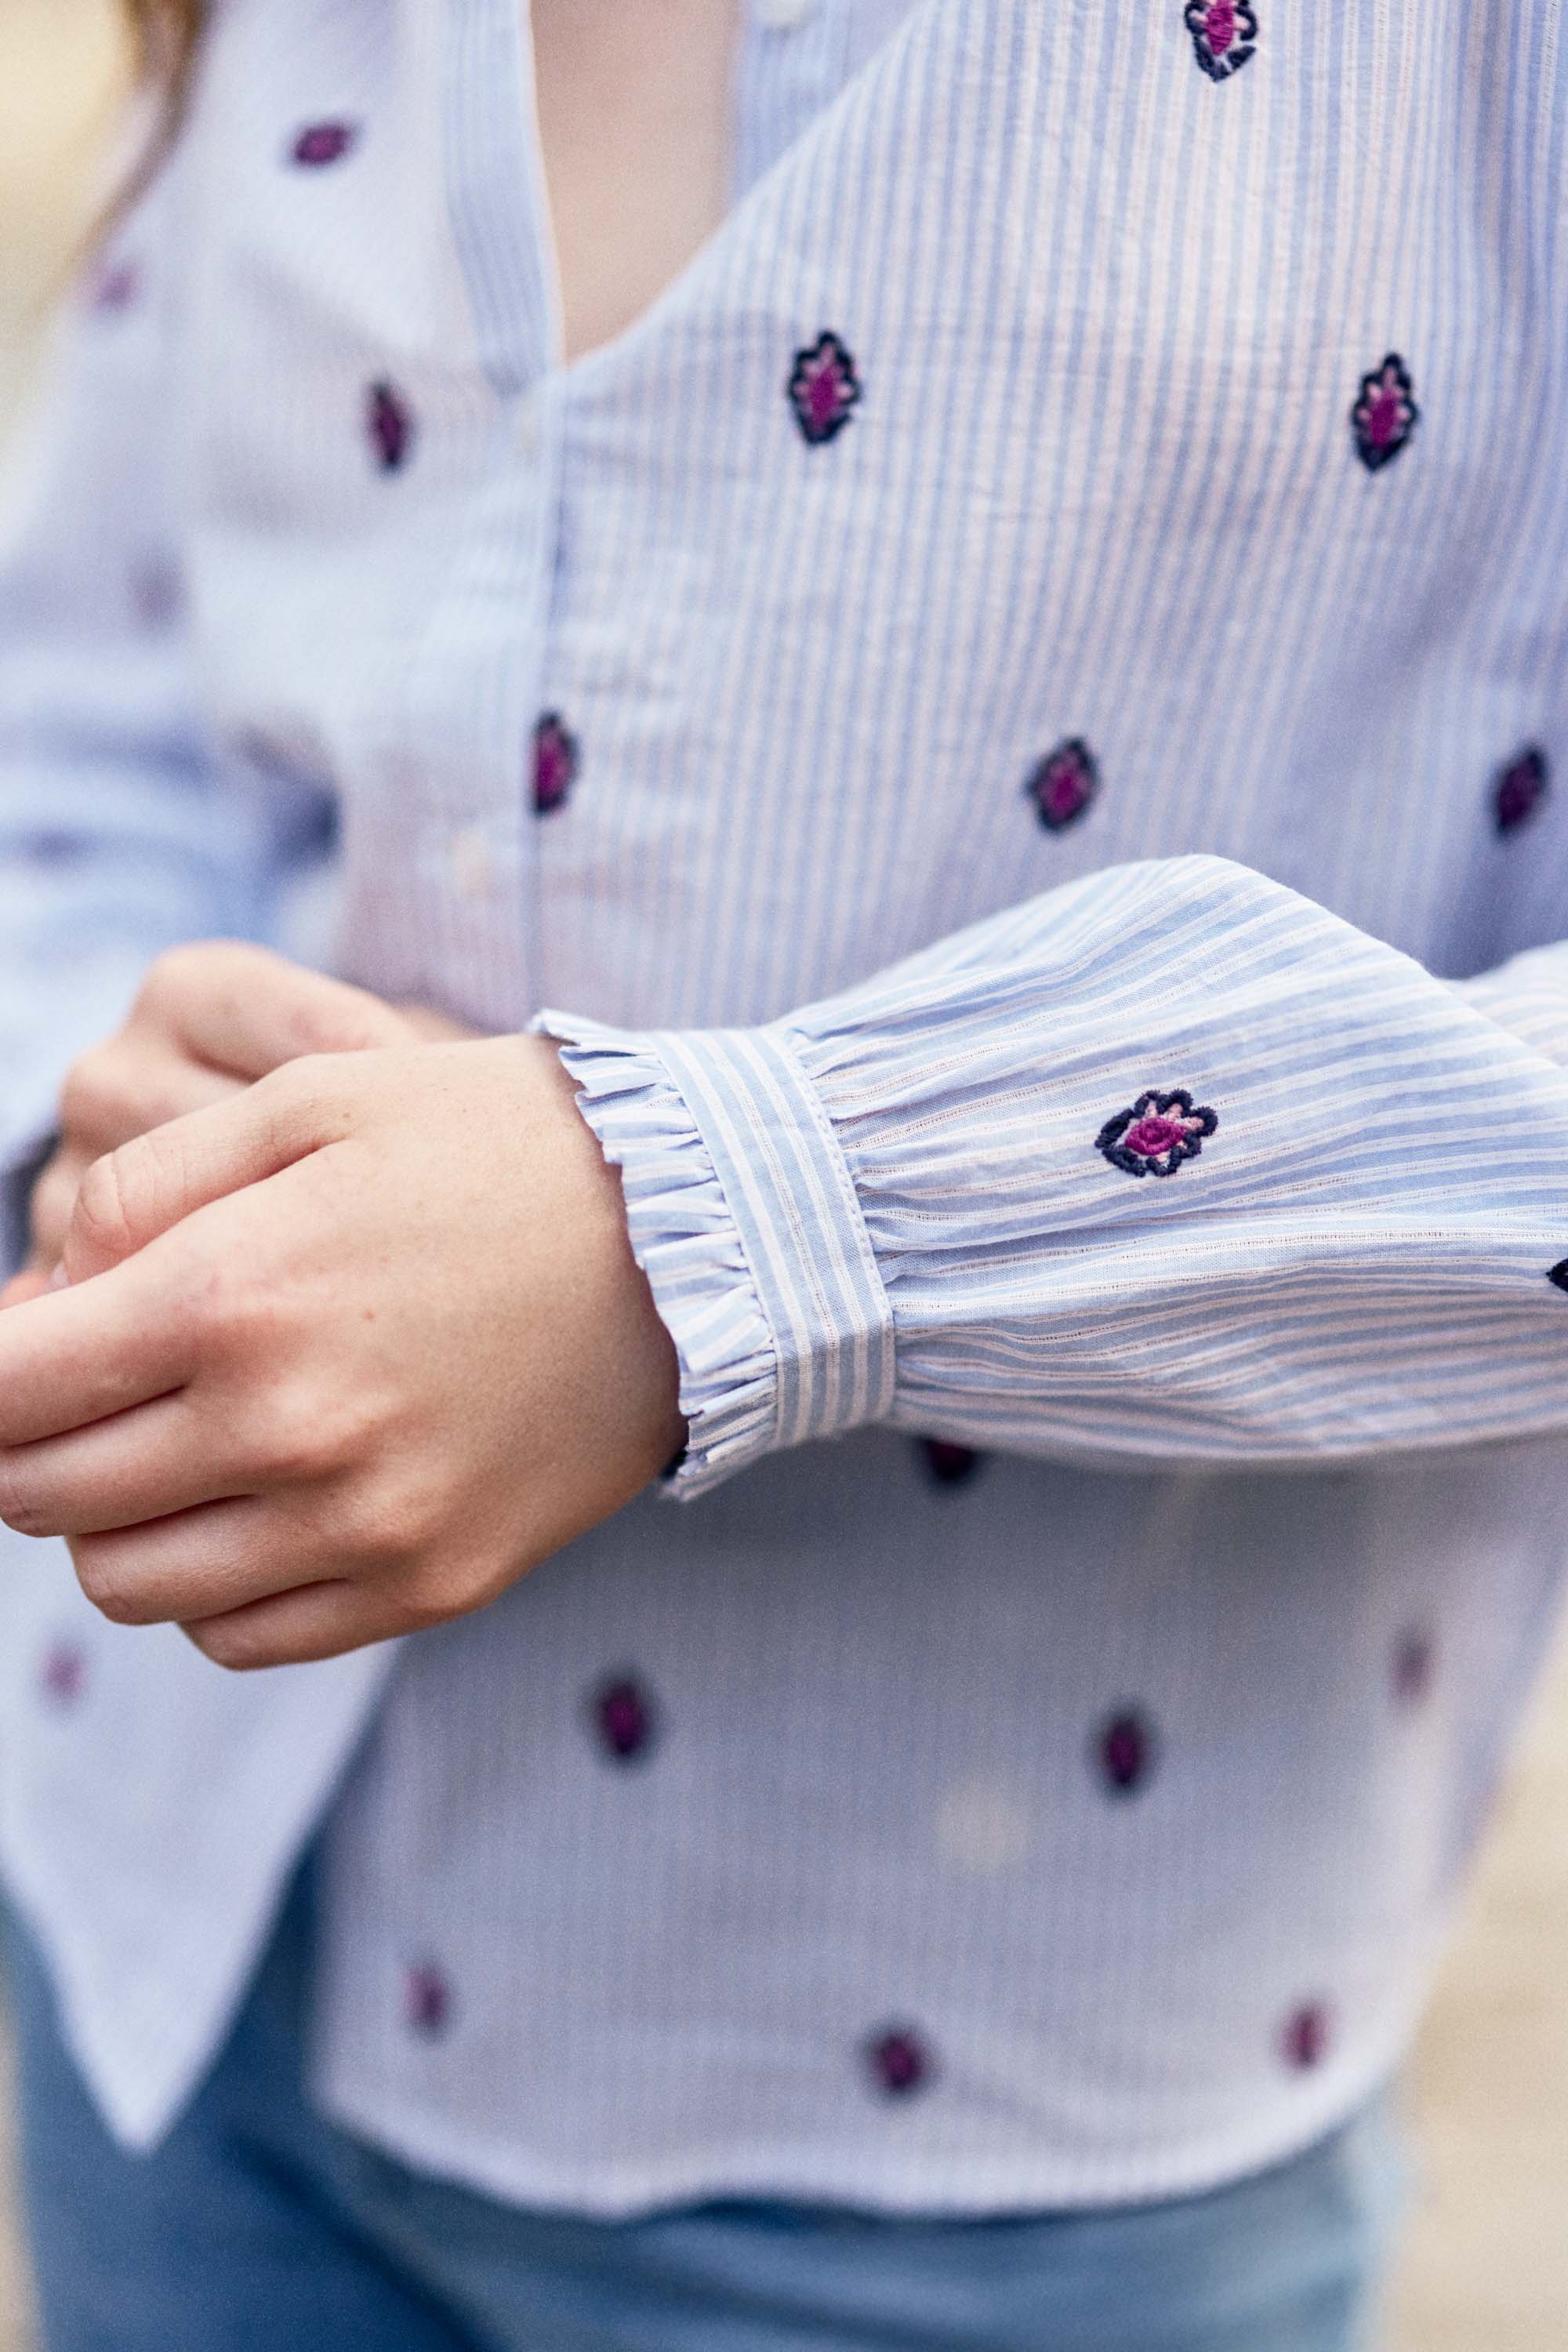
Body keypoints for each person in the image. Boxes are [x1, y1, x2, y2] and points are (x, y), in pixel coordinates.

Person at [2, 0, 1566, 2343]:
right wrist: (102, 1123)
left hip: (957, 2147)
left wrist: (715, 1230)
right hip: (161, 1934)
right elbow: (103, 682)